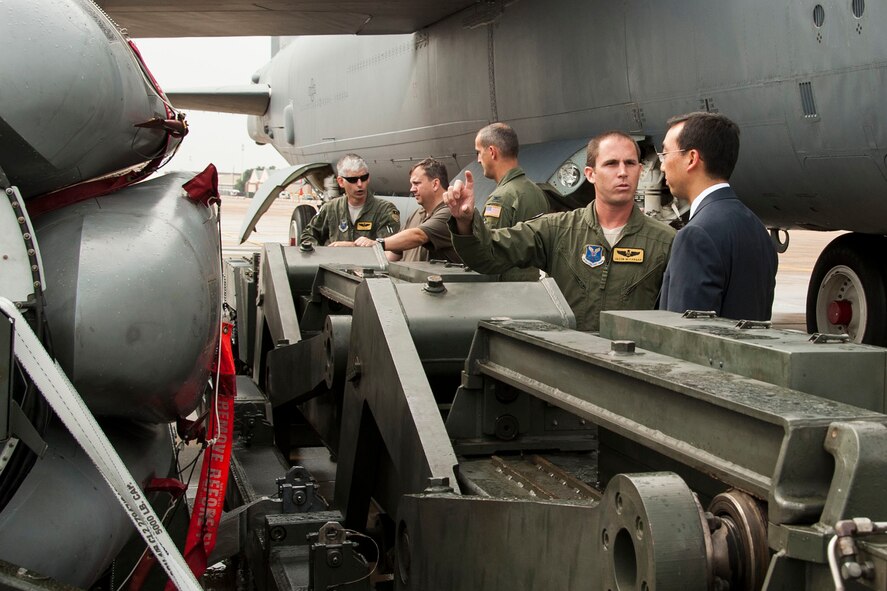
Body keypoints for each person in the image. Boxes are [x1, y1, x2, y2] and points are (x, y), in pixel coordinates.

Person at [444, 131, 676, 332]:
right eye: (611, 164)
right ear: (590, 174)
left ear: (640, 171)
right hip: (570, 367)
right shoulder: (556, 230)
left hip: (633, 373)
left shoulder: (666, 241)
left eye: (630, 163)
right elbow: (490, 254)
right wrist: (466, 221)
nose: (623, 172)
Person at [657, 112, 777, 320]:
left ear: (692, 159)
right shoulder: (757, 229)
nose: (661, 165)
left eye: (666, 154)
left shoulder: (696, 235)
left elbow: (684, 335)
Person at [473, 123, 550, 280]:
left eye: (479, 152)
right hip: (535, 287)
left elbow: (489, 253)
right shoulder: (536, 191)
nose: (478, 160)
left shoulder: (500, 198)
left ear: (492, 152)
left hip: (509, 292)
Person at [353, 158, 461, 263]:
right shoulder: (416, 215)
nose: (412, 189)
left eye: (417, 183)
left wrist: (378, 243)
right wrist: (356, 254)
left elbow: (418, 236)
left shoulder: (450, 213)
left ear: (435, 184)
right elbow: (392, 255)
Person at [300, 153, 400, 246]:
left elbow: (389, 246)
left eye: (364, 178)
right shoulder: (331, 208)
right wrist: (324, 254)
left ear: (368, 178)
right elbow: (308, 237)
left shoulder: (384, 210)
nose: (360, 184)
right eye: (353, 180)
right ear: (340, 181)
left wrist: (352, 247)